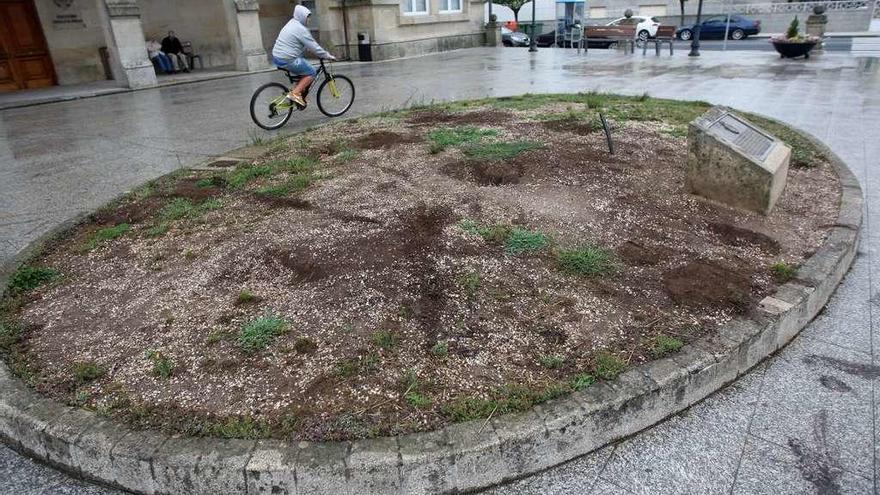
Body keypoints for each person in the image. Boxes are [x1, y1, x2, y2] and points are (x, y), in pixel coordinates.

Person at [272, 5, 335, 108]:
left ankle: (298, 93)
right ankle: (295, 93)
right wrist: (327, 56)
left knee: (303, 70)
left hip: (278, 56)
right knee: (311, 72)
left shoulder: (291, 23)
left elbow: (296, 42)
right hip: (288, 59)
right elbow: (314, 46)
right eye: (307, 17)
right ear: (301, 16)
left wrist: (309, 48)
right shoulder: (301, 29)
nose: (309, 20)